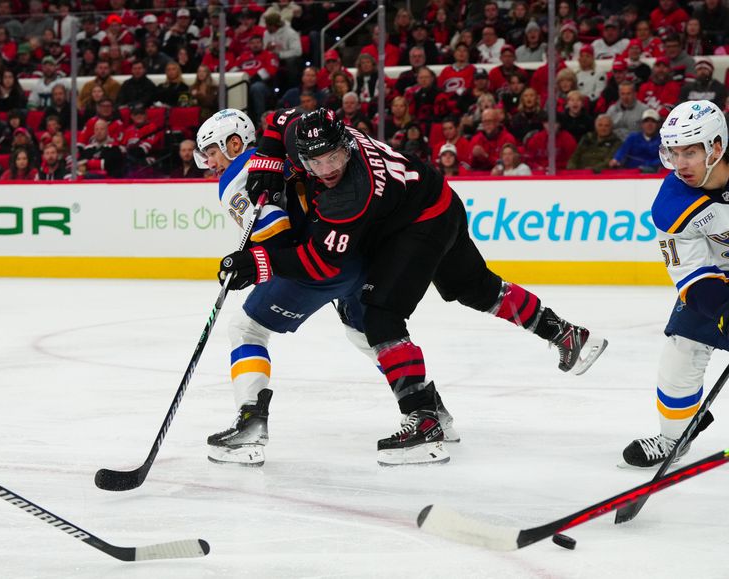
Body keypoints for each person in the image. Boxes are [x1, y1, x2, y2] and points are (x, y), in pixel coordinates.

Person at [219, 108, 608, 465]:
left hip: (417, 223)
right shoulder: (314, 133)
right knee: (477, 288)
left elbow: (322, 263)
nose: (328, 169)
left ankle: (423, 421)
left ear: (347, 145)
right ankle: (565, 334)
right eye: (317, 162)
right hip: (438, 197)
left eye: (335, 157)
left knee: (381, 313)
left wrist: (258, 263)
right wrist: (269, 157)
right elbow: (279, 117)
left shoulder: (349, 194)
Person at [194, 109, 460, 466]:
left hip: (318, 264)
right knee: (366, 335)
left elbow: (279, 242)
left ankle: (249, 425)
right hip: (357, 253)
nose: (209, 161)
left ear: (234, 142)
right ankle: (430, 410)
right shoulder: (286, 152)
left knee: (246, 329)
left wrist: (253, 262)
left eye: (211, 151)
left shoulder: (235, 179)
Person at [621, 101, 729, 467]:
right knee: (682, 351)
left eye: (691, 152)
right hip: (720, 275)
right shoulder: (672, 204)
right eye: (674, 153)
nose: (680, 163)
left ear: (716, 147)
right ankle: (673, 439)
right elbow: (693, 276)